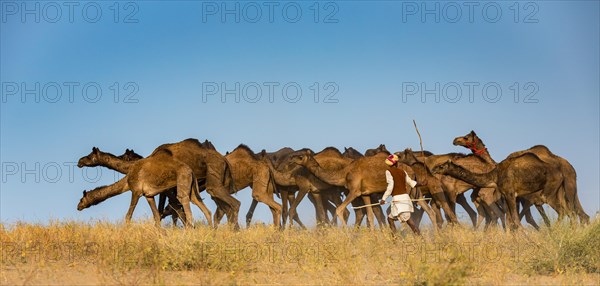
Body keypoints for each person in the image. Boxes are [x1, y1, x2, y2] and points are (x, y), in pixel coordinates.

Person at [379, 154, 420, 235]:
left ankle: (419, 238)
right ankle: (395, 239)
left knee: (408, 221)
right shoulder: (403, 172)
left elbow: (390, 186)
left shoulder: (388, 172)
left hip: (398, 199)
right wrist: (421, 183)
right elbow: (412, 183)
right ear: (396, 163)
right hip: (405, 198)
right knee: (390, 219)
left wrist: (383, 199)